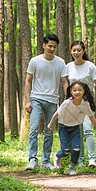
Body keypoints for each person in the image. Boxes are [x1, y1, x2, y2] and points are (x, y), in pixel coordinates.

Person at [25, 34, 69, 170]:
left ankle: (45, 161)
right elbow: (28, 80)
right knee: (33, 129)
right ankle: (32, 159)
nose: (52, 49)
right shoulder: (35, 61)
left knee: (49, 131)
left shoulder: (61, 62)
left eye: (54, 46)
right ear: (44, 46)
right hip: (36, 98)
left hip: (52, 100)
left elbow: (65, 82)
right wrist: (28, 101)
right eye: (49, 46)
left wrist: (67, 100)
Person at [47, 81, 96, 175]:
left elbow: (92, 117)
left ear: (84, 91)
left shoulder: (85, 104)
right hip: (63, 127)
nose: (77, 92)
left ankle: (72, 167)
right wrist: (50, 123)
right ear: (71, 92)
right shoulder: (67, 103)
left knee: (76, 149)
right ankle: (57, 156)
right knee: (66, 151)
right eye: (75, 90)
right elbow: (57, 113)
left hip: (75, 128)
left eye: (80, 90)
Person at [67, 41, 96, 167]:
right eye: (74, 50)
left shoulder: (90, 66)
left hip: (88, 100)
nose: (76, 53)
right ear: (71, 51)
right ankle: (81, 160)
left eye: (79, 50)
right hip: (73, 102)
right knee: (78, 131)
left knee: (87, 129)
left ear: (83, 51)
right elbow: (66, 85)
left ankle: (91, 159)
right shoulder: (68, 66)